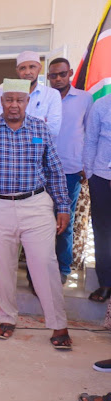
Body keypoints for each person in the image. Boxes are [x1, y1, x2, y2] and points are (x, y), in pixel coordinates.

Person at [0, 78, 72, 349]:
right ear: (1, 101)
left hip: (35, 205)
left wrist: (63, 207)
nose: (13, 105)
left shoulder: (40, 130)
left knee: (45, 264)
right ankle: (7, 318)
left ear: (27, 102)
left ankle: (58, 325)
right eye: (9, 100)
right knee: (0, 266)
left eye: (19, 100)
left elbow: (55, 171)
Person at [46, 58, 93, 285]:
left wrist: (87, 163)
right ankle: (41, 266)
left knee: (64, 220)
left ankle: (63, 268)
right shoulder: (44, 98)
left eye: (61, 74)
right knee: (41, 221)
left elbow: (90, 133)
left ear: (70, 73)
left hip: (70, 169)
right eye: (53, 75)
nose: (57, 79)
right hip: (40, 169)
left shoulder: (85, 99)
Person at [0, 51, 62, 140]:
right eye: (22, 68)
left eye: (32, 67)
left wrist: (18, 128)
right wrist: (40, 121)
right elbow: (0, 127)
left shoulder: (52, 94)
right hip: (11, 151)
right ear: (17, 71)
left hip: (39, 151)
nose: (27, 72)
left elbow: (53, 131)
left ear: (39, 68)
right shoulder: (5, 92)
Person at [85, 94, 111, 302]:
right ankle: (105, 283)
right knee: (102, 232)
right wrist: (92, 176)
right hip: (102, 178)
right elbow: (91, 141)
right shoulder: (101, 105)